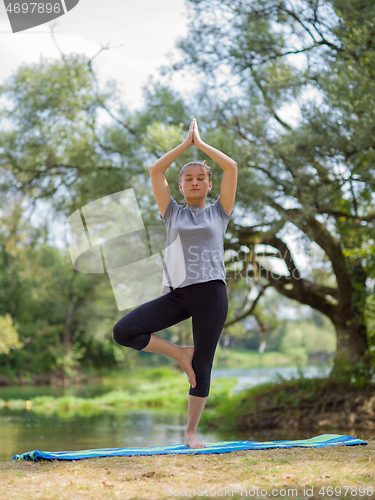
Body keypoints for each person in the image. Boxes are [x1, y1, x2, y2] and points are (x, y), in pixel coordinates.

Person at [113, 118, 237, 448]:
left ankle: (190, 432)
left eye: (201, 178)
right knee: (123, 331)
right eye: (188, 178)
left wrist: (201, 145)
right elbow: (155, 171)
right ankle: (179, 354)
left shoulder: (219, 213)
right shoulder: (172, 213)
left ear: (210, 185)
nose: (194, 182)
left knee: (204, 366)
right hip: (177, 295)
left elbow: (233, 167)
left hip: (212, 293)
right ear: (180, 187)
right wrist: (185, 145)